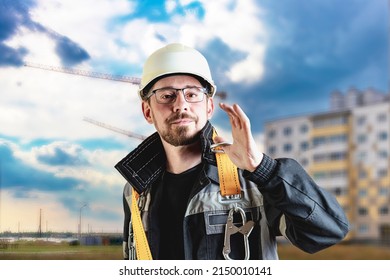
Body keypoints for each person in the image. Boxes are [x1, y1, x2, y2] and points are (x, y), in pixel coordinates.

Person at [115, 43, 349, 260]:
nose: (180, 105)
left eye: (192, 94)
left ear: (209, 107)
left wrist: (263, 169)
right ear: (147, 111)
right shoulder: (135, 191)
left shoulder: (254, 182)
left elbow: (328, 231)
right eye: (167, 96)